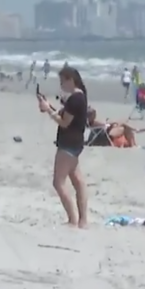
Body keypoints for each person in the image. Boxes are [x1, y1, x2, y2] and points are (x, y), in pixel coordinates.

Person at [37, 65, 89, 229]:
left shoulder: (75, 99)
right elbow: (65, 117)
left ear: (70, 80)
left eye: (62, 82)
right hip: (76, 142)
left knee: (58, 183)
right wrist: (50, 108)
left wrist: (48, 111)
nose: (61, 85)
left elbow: (65, 122)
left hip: (68, 143)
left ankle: (73, 219)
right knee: (77, 181)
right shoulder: (79, 97)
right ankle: (82, 220)